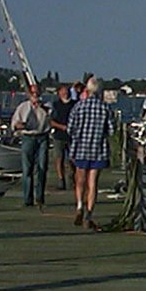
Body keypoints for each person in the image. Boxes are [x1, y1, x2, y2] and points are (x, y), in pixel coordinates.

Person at [68, 76, 112, 230]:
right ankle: (89, 213)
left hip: (80, 148)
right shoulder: (104, 108)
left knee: (80, 179)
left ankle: (79, 206)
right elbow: (111, 130)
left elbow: (70, 128)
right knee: (93, 183)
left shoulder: (79, 107)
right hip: (98, 149)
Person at [11, 82, 52, 207]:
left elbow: (52, 116)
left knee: (42, 167)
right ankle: (27, 199)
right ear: (29, 94)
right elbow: (14, 124)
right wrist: (19, 125)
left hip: (42, 137)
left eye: (37, 93)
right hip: (28, 137)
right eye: (33, 93)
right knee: (27, 169)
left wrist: (41, 107)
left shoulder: (47, 105)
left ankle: (40, 197)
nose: (35, 96)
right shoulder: (23, 107)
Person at [49, 84, 75, 190]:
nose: (66, 93)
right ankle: (61, 179)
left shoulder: (75, 105)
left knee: (72, 159)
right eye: (63, 91)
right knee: (58, 158)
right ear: (59, 93)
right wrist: (61, 127)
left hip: (72, 136)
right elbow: (50, 121)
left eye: (67, 91)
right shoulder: (55, 105)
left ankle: (71, 178)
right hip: (59, 135)